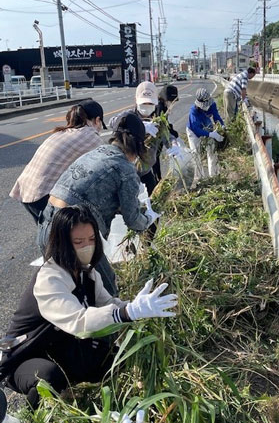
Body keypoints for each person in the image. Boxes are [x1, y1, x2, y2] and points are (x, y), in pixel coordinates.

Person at [0, 206, 177, 410]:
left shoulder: (87, 273)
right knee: (48, 379)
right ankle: (33, 420)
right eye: (78, 242)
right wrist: (126, 313)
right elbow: (80, 322)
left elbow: (108, 304)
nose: (87, 247)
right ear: (63, 243)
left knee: (117, 361)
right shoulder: (50, 279)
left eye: (92, 239)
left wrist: (135, 306)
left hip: (61, 348)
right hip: (27, 356)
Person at [37, 113, 160, 296]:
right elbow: (133, 221)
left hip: (46, 225)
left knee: (67, 291)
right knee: (106, 290)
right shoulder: (126, 170)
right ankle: (118, 322)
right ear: (139, 146)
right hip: (73, 235)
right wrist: (149, 218)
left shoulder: (95, 153)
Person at [9, 100, 106, 224]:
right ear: (97, 120)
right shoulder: (91, 136)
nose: (100, 129)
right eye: (101, 125)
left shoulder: (64, 131)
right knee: (60, 236)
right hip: (42, 193)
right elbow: (106, 166)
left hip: (26, 189)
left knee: (47, 233)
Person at [109, 81, 181, 195]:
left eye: (150, 105)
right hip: (127, 172)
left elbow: (168, 136)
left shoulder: (158, 121)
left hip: (146, 171)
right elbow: (112, 122)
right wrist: (137, 125)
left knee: (152, 199)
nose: (147, 108)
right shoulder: (128, 116)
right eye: (143, 104)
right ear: (136, 101)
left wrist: (174, 145)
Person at [186, 88, 225, 183]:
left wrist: (222, 126)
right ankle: (200, 179)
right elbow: (196, 130)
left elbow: (216, 117)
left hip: (208, 128)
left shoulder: (212, 104)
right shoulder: (193, 111)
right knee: (196, 154)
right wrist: (211, 134)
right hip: (193, 133)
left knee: (212, 151)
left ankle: (213, 176)